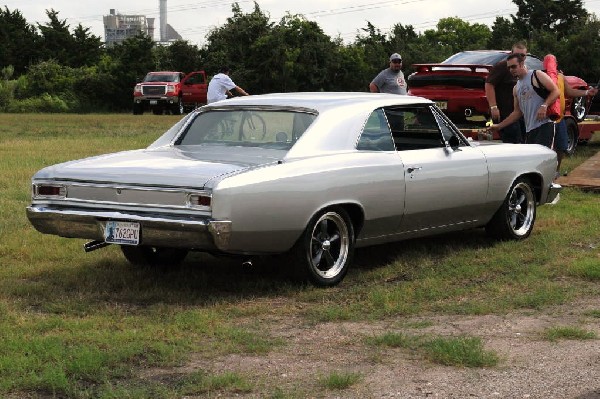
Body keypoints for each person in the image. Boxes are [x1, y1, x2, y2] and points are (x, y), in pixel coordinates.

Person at [488, 53, 559, 148]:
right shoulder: (516, 88)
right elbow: (517, 112)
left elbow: (555, 91)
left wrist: (544, 105)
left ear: (522, 64)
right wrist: (499, 126)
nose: (511, 70)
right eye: (509, 68)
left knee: (543, 158)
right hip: (529, 130)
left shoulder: (536, 75)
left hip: (545, 125)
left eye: (514, 66)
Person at [544, 54, 598, 176]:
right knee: (547, 148)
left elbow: (569, 92)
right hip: (547, 120)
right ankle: (546, 173)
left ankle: (556, 171)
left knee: (562, 146)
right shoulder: (542, 77)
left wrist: (587, 92)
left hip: (561, 118)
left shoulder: (560, 77)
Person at [485, 42, 528, 143]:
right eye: (517, 54)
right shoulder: (503, 66)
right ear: (511, 53)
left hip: (520, 113)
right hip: (505, 113)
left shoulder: (525, 69)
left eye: (522, 55)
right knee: (513, 143)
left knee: (523, 142)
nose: (520, 57)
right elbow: (489, 84)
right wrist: (493, 107)